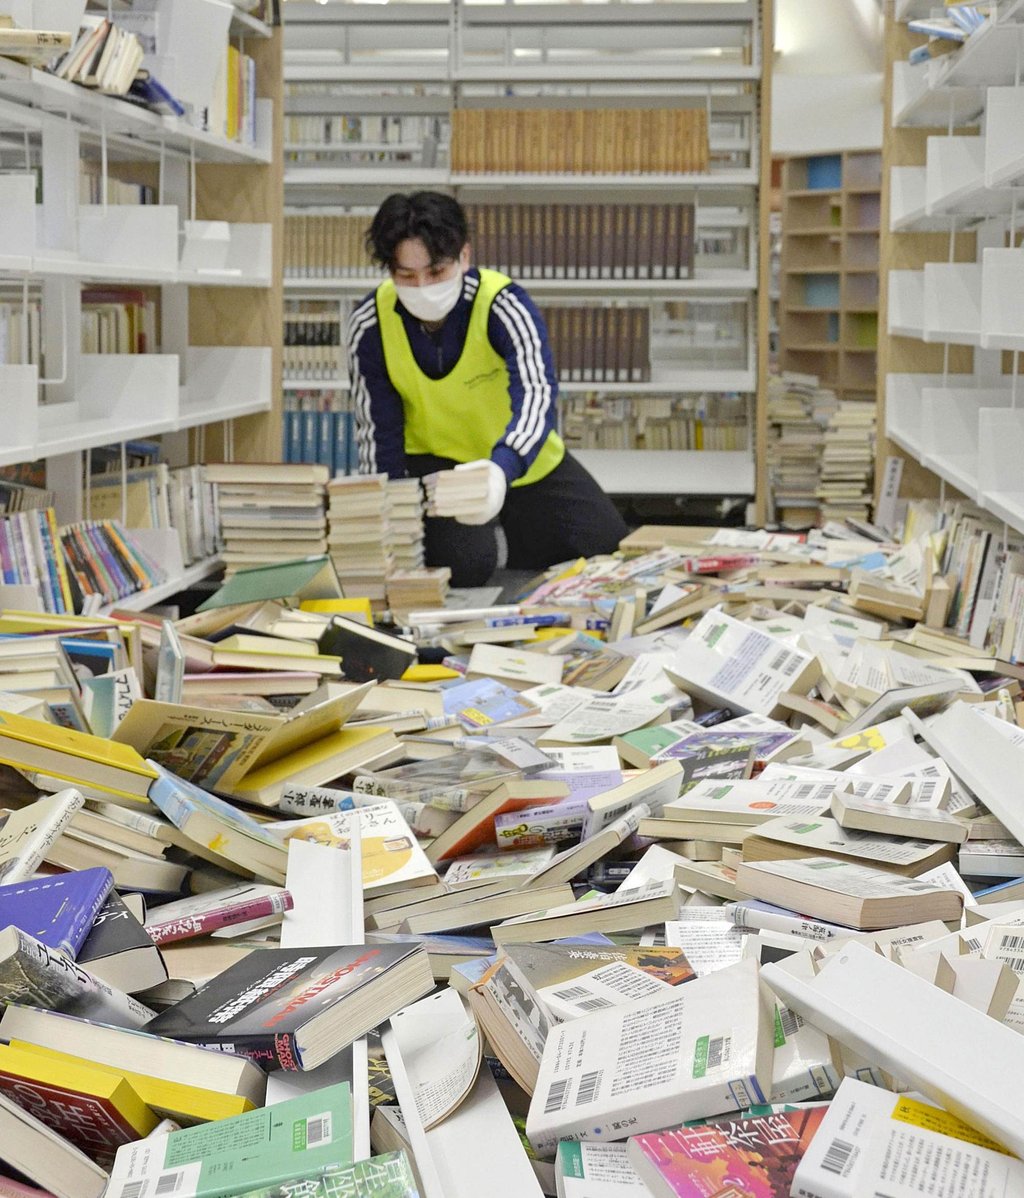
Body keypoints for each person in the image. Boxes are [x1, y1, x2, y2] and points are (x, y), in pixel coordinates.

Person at [347, 191, 629, 588]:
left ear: (464, 257)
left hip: (523, 458)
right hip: (438, 469)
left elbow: (537, 395)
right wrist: (392, 522)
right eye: (406, 276)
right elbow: (377, 435)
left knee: (609, 555)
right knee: (465, 568)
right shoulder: (369, 325)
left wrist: (503, 468)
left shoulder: (503, 304)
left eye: (437, 271)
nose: (422, 287)